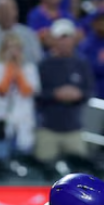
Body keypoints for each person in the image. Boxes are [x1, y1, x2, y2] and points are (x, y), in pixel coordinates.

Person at [35, 19, 94, 164]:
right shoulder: (44, 64)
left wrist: (78, 94)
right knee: (44, 172)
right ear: (54, 40)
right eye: (60, 38)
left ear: (73, 39)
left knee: (79, 174)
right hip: (48, 128)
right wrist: (56, 94)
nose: (64, 42)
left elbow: (90, 91)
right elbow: (36, 93)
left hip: (73, 129)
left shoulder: (81, 64)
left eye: (67, 38)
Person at [0, 31, 39, 164]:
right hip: (1, 121)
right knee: (1, 160)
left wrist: (19, 71)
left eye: (17, 48)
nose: (14, 52)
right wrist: (10, 70)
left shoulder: (30, 69)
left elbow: (28, 91)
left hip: (23, 121)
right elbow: (1, 90)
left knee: (23, 161)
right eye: (10, 48)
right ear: (3, 50)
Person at [0, 0, 41, 67]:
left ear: (16, 12)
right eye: (2, 11)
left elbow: (38, 60)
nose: (6, 15)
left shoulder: (29, 34)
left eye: (9, 10)